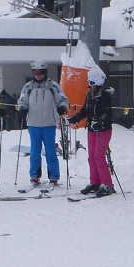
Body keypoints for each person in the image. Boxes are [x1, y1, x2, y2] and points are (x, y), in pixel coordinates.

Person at [17, 60, 69, 186]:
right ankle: (34, 175)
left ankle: (54, 176)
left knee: (50, 151)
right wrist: (22, 108)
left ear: (45, 72)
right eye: (35, 72)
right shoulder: (28, 87)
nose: (38, 75)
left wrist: (62, 107)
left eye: (40, 72)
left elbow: (63, 99)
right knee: (35, 151)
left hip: (49, 124)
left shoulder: (53, 86)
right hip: (33, 124)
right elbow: (22, 100)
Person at [67, 68, 115, 197]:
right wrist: (75, 118)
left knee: (99, 156)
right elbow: (85, 111)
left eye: (91, 80)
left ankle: (107, 184)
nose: (89, 83)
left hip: (103, 130)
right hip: (92, 129)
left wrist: (100, 122)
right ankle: (95, 182)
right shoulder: (90, 94)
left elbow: (107, 113)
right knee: (92, 157)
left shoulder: (104, 95)